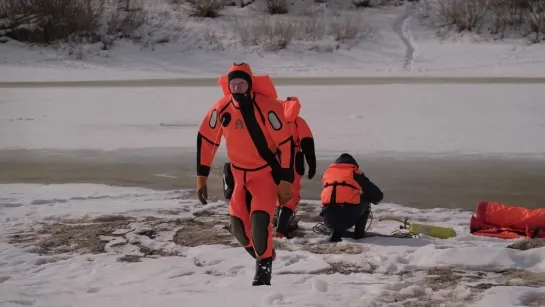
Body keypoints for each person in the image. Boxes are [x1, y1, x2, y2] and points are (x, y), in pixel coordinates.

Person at [195, 63, 295, 286]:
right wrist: (201, 177)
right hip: (239, 177)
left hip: (264, 176)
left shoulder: (267, 108)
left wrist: (286, 181)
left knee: (260, 223)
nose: (237, 89)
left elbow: (286, 145)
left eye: (242, 84)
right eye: (233, 85)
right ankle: (263, 254)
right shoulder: (222, 109)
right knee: (238, 229)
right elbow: (206, 139)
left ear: (250, 85)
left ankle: (263, 273)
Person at [221, 96, 317, 239]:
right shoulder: (298, 122)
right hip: (292, 161)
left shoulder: (270, 116)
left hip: (269, 160)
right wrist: (312, 164)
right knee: (290, 192)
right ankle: (281, 230)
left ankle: (250, 224)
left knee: (264, 191)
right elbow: (307, 144)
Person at [319, 153, 383, 242]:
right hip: (348, 217)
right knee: (365, 198)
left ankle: (335, 230)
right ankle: (359, 235)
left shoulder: (328, 173)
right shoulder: (354, 172)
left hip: (328, 219)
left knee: (332, 197)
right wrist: (374, 199)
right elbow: (377, 195)